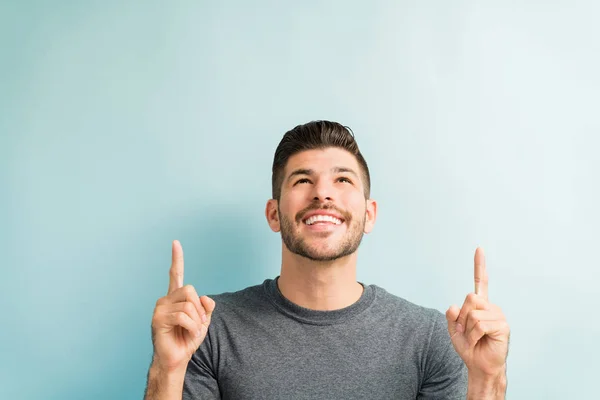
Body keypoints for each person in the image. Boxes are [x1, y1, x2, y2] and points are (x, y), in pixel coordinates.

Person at [144, 121, 510, 400]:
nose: (322, 193)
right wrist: (168, 370)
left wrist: (487, 379)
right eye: (303, 180)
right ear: (274, 214)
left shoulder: (433, 338)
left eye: (343, 180)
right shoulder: (206, 329)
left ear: (369, 214)